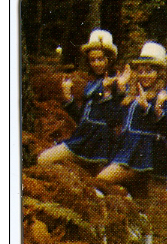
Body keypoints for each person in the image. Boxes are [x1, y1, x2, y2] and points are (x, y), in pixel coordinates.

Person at [97, 41, 167, 244]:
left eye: (150, 70)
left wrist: (154, 110)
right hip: (127, 149)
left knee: (100, 183)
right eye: (141, 70)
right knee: (141, 201)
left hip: (145, 153)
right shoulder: (134, 92)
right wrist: (111, 92)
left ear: (160, 72)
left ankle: (108, 243)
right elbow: (115, 118)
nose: (144, 74)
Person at [38, 29, 126, 171]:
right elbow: (82, 119)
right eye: (92, 60)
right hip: (82, 139)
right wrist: (69, 98)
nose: (96, 63)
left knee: (99, 185)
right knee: (44, 159)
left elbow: (115, 120)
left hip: (101, 145)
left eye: (101, 59)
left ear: (109, 59)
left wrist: (108, 93)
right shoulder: (91, 84)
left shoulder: (117, 82)